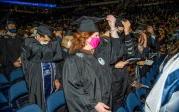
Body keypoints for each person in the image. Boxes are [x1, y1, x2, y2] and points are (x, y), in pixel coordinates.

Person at [21, 24, 63, 111]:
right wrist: (58, 39)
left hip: (51, 80)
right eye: (45, 40)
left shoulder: (49, 44)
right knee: (39, 104)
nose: (47, 43)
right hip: (37, 82)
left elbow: (55, 63)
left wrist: (56, 78)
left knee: (50, 103)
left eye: (49, 41)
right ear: (37, 36)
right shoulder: (29, 43)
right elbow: (45, 52)